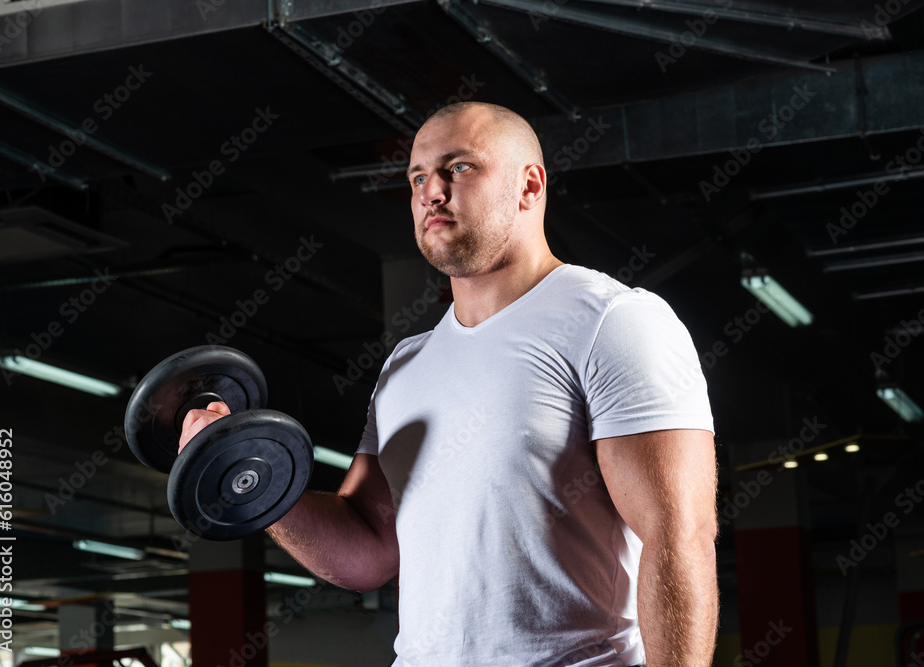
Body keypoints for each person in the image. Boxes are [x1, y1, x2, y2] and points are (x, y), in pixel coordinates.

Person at [180, 102, 718, 666]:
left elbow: (678, 536)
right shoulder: (406, 366)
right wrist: (250, 473)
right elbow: (368, 553)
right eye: (417, 176)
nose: (430, 192)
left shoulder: (612, 321)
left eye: (458, 168)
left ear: (528, 186)